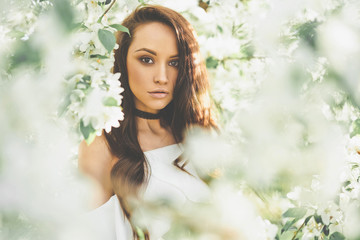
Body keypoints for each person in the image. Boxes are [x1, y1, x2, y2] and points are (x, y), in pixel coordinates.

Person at [78, 4, 217, 240]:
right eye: (146, 59)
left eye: (174, 62)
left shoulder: (198, 132)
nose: (162, 77)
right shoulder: (103, 141)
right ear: (123, 60)